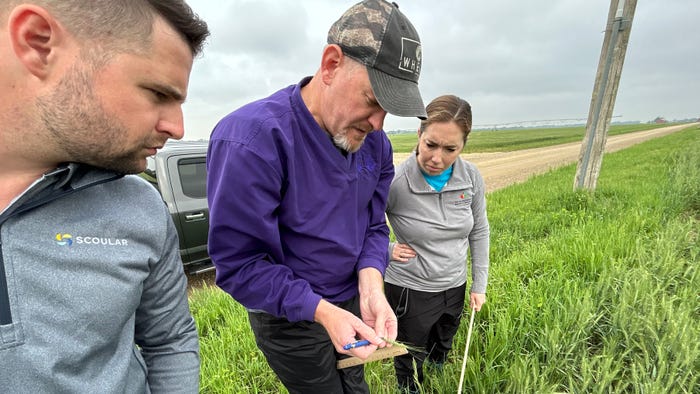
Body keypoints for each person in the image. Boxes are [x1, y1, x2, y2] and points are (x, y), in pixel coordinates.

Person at [206, 1, 426, 392]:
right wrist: (321, 311)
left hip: (350, 301)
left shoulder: (376, 145)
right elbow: (240, 263)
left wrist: (371, 285)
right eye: (373, 100)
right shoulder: (252, 141)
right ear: (330, 64)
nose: (378, 123)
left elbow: (374, 225)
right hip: (289, 317)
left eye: (388, 112)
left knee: (355, 386)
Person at [0, 1, 209, 392]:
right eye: (157, 92)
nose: (177, 127)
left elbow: (171, 342)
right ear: (37, 42)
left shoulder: (141, 207)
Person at [384, 95, 490, 393]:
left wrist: (478, 284)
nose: (437, 158)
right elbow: (360, 227)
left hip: (454, 285)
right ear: (419, 134)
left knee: (443, 341)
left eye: (450, 149)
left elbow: (479, 229)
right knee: (409, 353)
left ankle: (438, 376)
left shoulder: (470, 177)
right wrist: (387, 250)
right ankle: (410, 388)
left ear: (463, 146)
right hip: (410, 290)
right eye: (431, 144)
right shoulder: (395, 182)